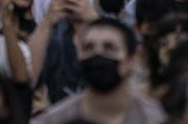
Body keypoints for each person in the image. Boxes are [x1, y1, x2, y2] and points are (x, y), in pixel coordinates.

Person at [32, 18, 166, 123]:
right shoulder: (56, 119)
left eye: (110, 48)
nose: (98, 54)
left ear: (131, 60)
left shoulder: (155, 118)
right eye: (89, 48)